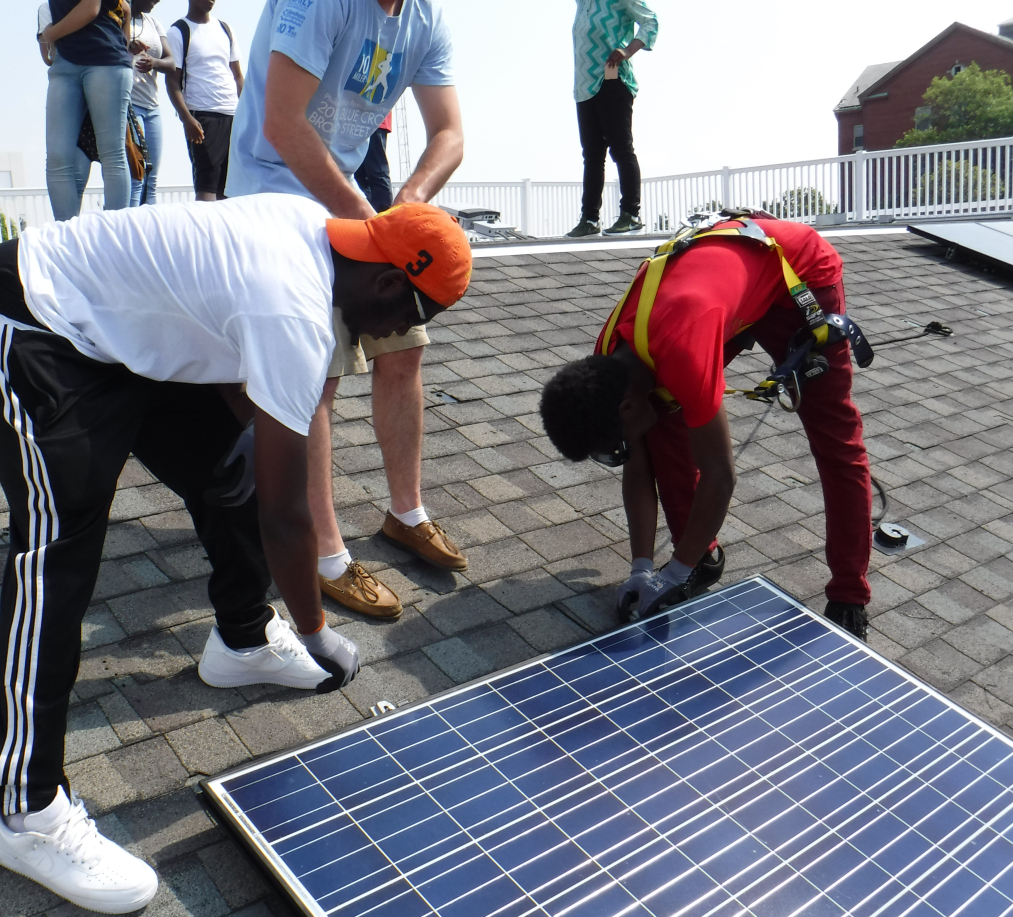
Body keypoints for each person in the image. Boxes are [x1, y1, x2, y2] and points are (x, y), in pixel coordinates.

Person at [0, 196, 471, 913]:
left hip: (116, 331)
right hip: (34, 318)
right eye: (416, 317)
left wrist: (229, 459)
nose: (399, 334)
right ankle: (25, 811)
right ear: (388, 284)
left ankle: (242, 637)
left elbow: (237, 397)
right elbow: (291, 517)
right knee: (57, 550)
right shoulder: (293, 309)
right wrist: (318, 630)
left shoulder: (312, 237)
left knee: (232, 474)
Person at [227, 0, 465, 621]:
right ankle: (324, 553)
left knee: (404, 346)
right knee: (319, 375)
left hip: (355, 197)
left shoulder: (425, 19)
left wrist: (410, 204)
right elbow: (281, 122)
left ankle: (405, 512)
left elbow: (450, 133)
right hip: (276, 197)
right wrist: (370, 223)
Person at [539, 214, 873, 639]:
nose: (623, 453)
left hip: (798, 275)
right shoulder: (608, 363)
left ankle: (849, 593)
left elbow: (721, 475)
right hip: (720, 289)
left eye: (617, 444)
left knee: (834, 438)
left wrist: (672, 576)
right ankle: (700, 556)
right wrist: (642, 568)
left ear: (625, 407)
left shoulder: (683, 352)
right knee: (660, 426)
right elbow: (638, 470)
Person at [565, 0, 658, 239]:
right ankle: (589, 219)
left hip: (613, 79)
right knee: (592, 155)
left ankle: (631, 214)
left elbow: (650, 21)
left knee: (621, 149)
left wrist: (627, 51)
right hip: (584, 86)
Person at [39, 0, 134, 218]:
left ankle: (114, 236)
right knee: (56, 157)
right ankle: (68, 240)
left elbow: (91, 8)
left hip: (105, 60)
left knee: (112, 154)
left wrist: (50, 34)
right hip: (64, 63)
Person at [162, 0, 241, 202]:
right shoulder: (179, 31)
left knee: (231, 185)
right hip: (202, 116)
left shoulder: (225, 28)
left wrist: (249, 114)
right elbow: (172, 82)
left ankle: (226, 233)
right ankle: (207, 233)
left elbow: (238, 76)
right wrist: (186, 118)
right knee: (207, 184)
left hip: (233, 115)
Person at [37, 3, 93, 206]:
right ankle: (69, 229)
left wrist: (54, 34)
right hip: (69, 94)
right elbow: (48, 57)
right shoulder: (47, 8)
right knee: (68, 166)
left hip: (99, 87)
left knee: (110, 160)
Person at [126, 0, 167, 205]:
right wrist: (128, 44)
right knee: (137, 176)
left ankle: (151, 232)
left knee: (152, 179)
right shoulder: (119, 17)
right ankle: (130, 230)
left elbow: (171, 62)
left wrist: (155, 62)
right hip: (130, 105)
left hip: (152, 107)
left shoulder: (154, 23)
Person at [355, 111, 394, 213]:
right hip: (354, 122)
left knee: (377, 171)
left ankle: (384, 217)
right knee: (358, 174)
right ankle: (365, 216)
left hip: (375, 119)